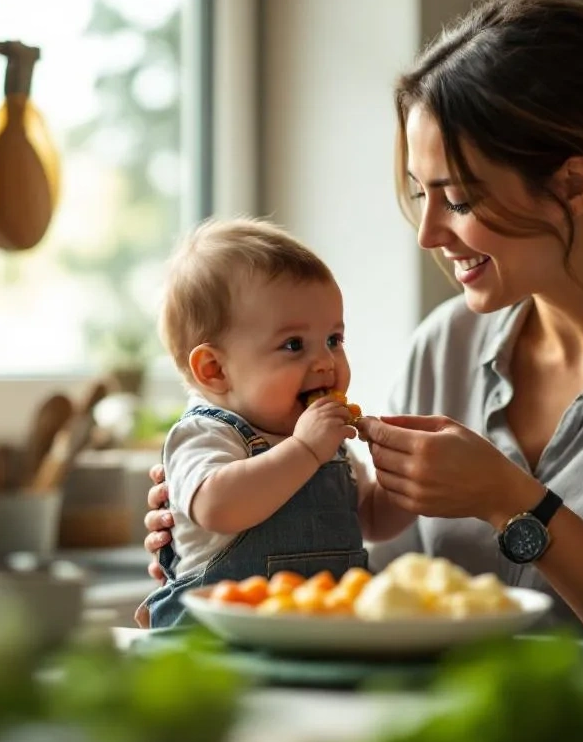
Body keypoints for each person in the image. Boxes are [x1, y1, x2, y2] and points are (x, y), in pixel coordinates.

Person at [140, 0, 583, 677]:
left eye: (459, 198)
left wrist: (518, 505)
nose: (427, 233)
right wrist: (247, 537)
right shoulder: (444, 348)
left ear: (572, 184)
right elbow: (385, 605)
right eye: (422, 194)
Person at [139, 218, 413, 627]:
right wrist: (304, 450)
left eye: (334, 340)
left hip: (322, 638)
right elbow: (219, 506)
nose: (325, 362)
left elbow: (372, 518)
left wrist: (406, 486)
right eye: (293, 345)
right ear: (214, 370)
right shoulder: (206, 433)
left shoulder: (323, 439)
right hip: (216, 643)